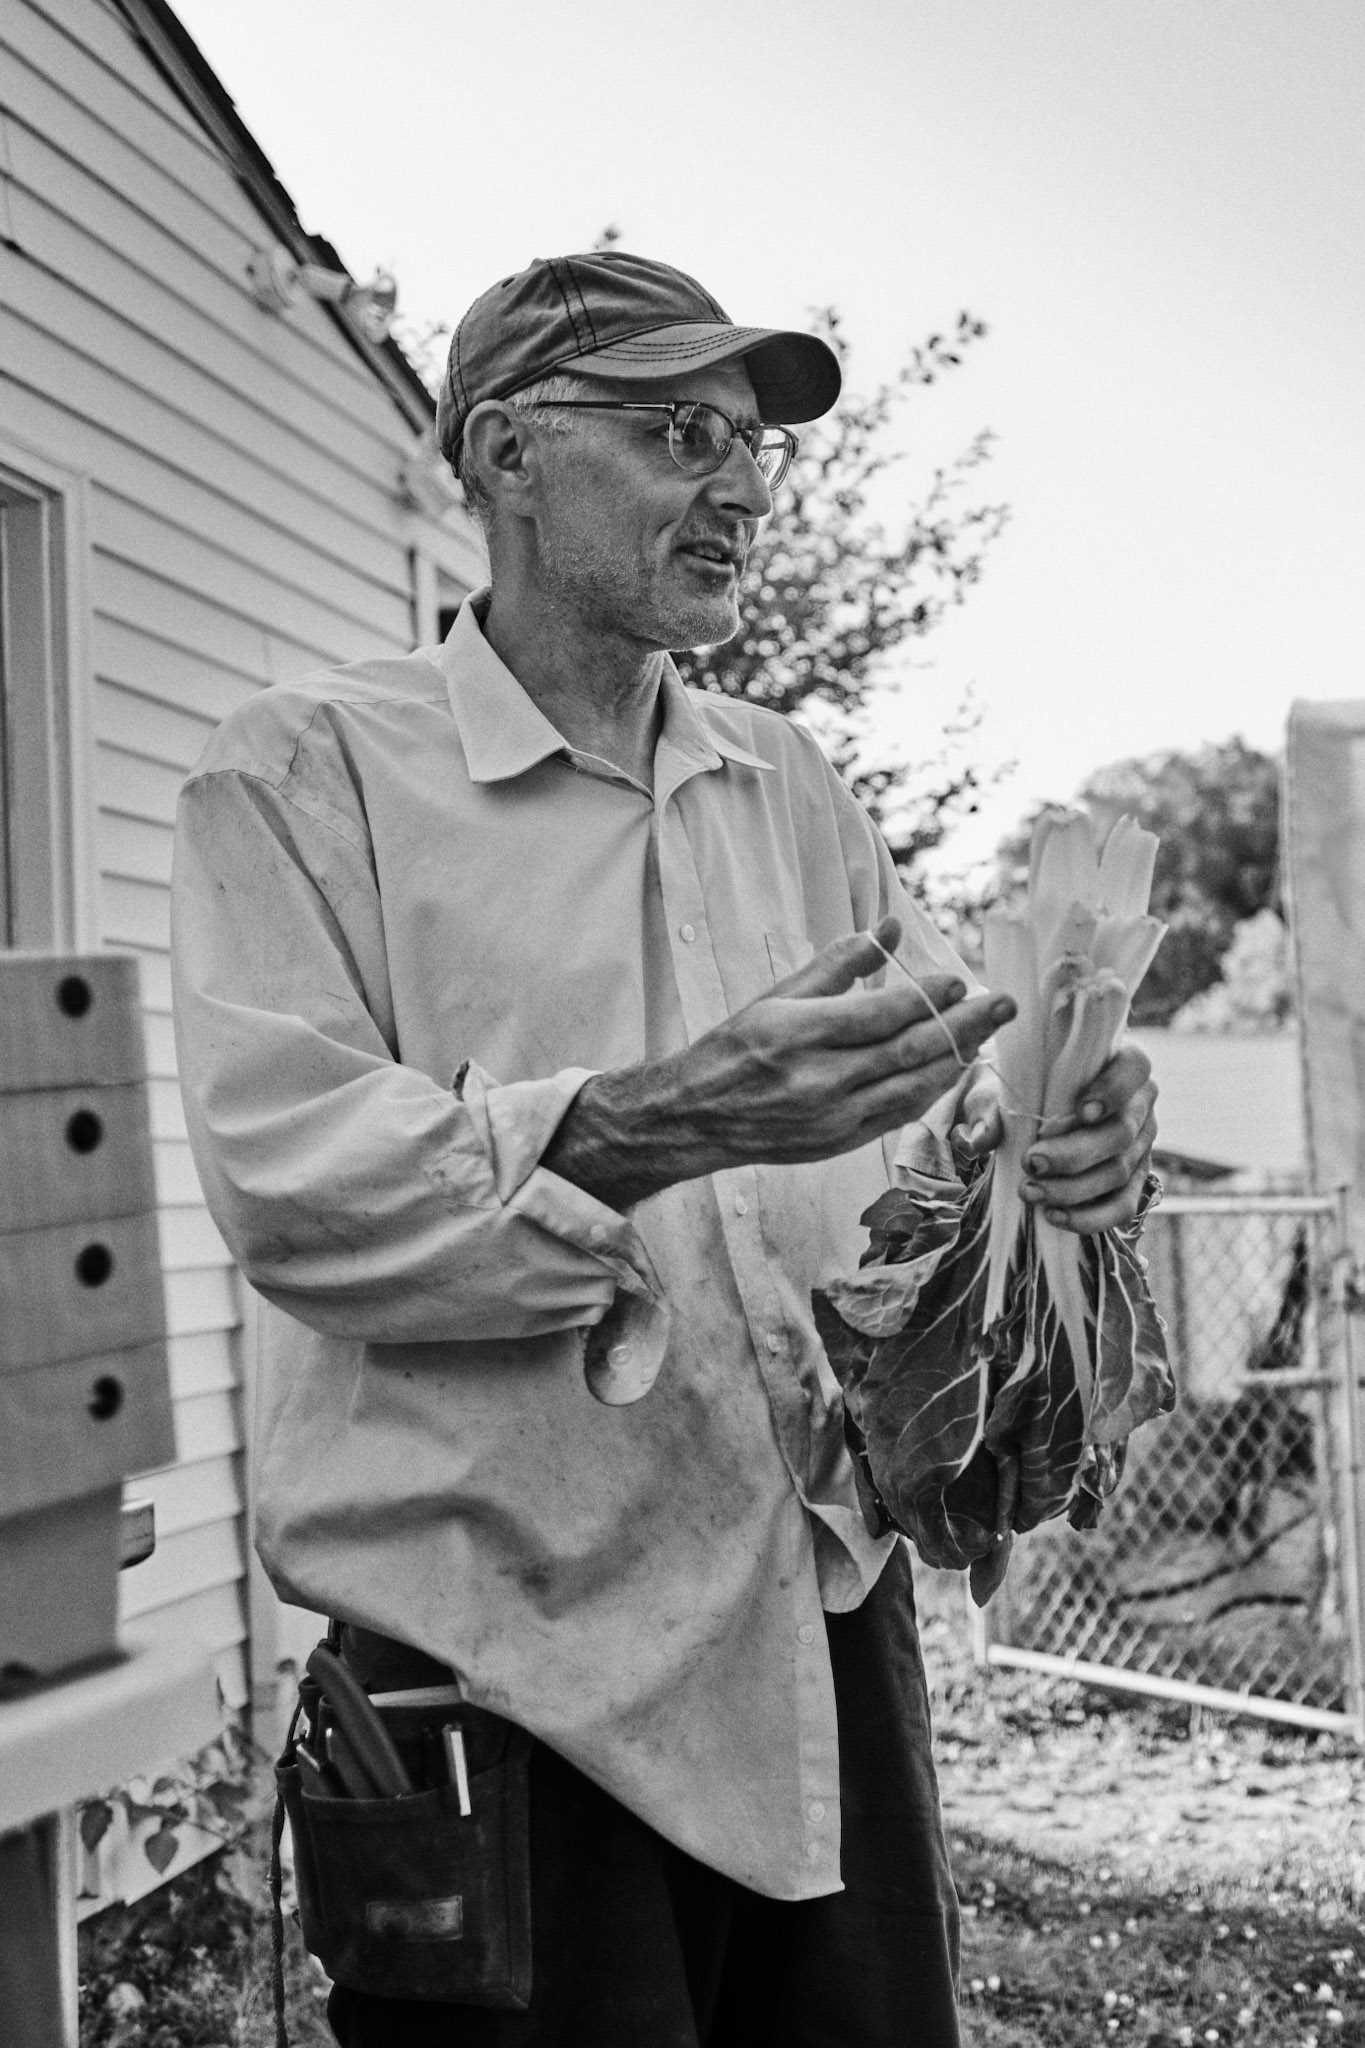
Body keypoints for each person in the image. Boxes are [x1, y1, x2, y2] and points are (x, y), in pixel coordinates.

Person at [171, 250, 1157, 2047]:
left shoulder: (786, 781)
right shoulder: (306, 774)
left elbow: (953, 1104)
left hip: (815, 1638)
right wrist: (668, 1119)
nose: (742, 487)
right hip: (502, 1676)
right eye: (676, 432)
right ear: (505, 454)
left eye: (752, 449)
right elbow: (293, 1184)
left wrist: (1070, 1142)